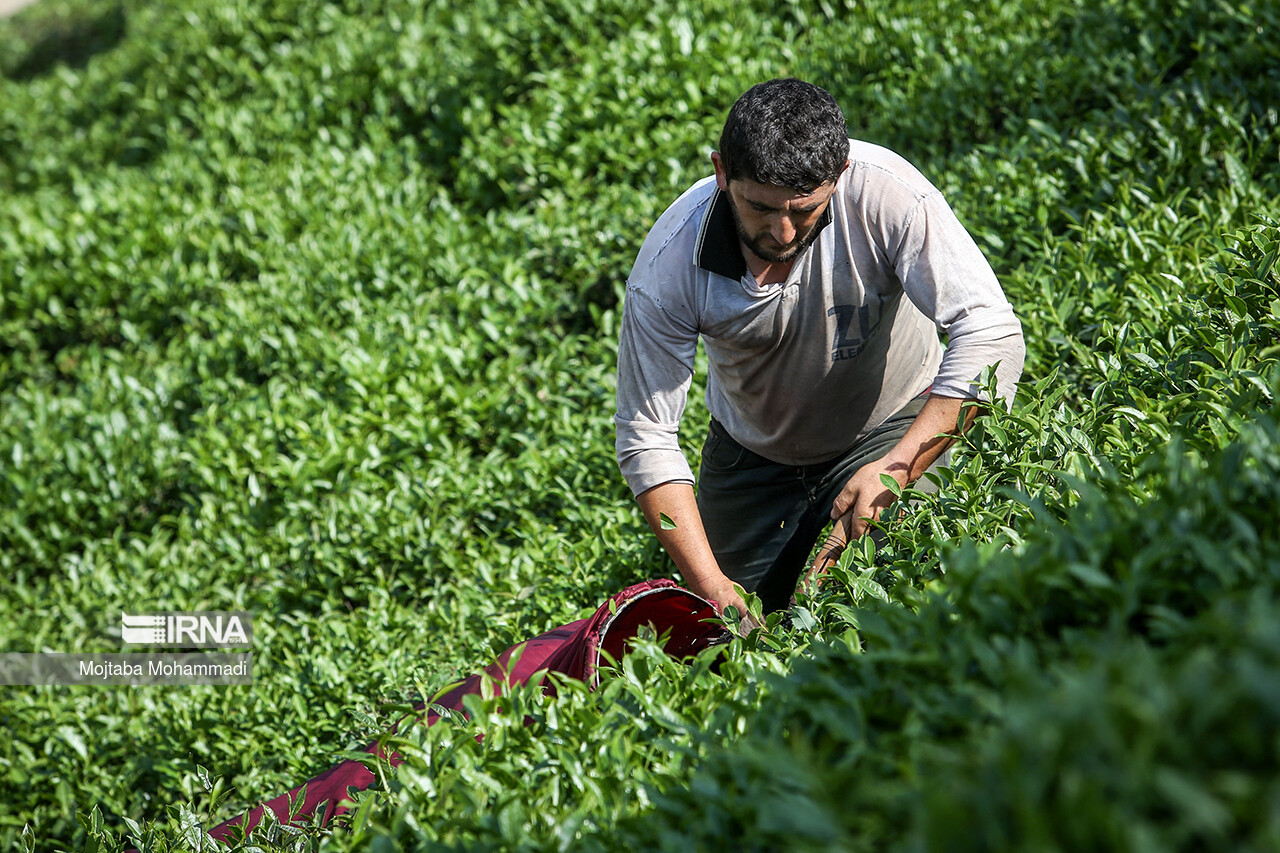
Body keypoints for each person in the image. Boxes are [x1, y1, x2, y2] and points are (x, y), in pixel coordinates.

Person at [614, 78, 1025, 618]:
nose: (782, 232)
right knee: (727, 633)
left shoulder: (889, 194)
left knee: (898, 595)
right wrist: (710, 581)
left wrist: (899, 466)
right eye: (759, 207)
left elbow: (991, 332)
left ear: (841, 175)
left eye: (804, 210)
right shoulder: (670, 265)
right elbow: (646, 436)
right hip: (752, 454)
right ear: (721, 172)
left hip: (891, 424)